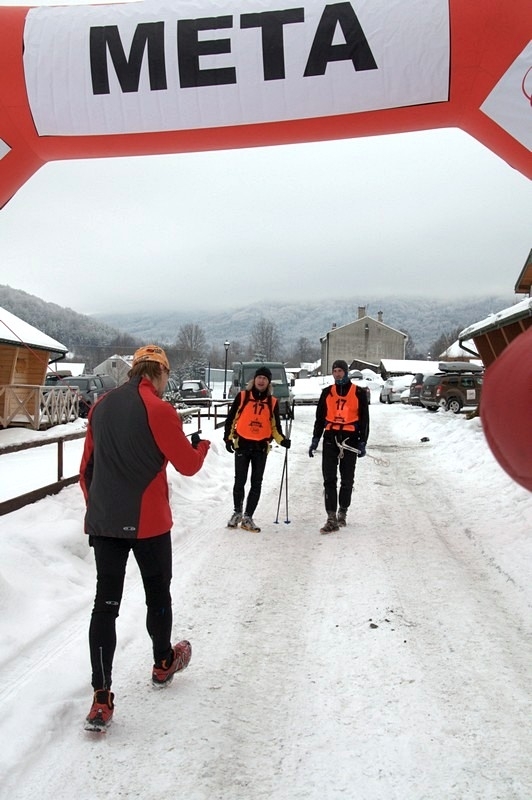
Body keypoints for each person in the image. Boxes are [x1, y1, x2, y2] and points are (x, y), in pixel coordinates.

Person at [80, 344, 210, 730]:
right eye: (167, 376)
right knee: (157, 593)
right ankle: (163, 662)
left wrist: (99, 508)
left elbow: (86, 470)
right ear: (159, 373)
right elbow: (187, 465)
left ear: (134, 370)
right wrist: (201, 446)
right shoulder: (160, 409)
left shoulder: (101, 406)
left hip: (105, 523)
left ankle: (101, 696)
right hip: (149, 523)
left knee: (105, 606)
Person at [224, 365, 291, 532]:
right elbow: (231, 419)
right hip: (242, 445)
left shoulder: (272, 402)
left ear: (269, 382)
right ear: (254, 380)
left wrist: (282, 440)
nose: (261, 381)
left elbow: (275, 427)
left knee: (256, 483)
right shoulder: (243, 396)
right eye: (259, 378)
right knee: (239, 481)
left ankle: (248, 516)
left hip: (260, 448)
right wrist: (228, 438)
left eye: (265, 379)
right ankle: (237, 512)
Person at [308, 359, 369, 534]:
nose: (337, 374)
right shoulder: (327, 392)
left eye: (340, 371)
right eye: (334, 371)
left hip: (350, 439)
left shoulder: (358, 392)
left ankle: (343, 510)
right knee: (329, 479)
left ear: (346, 372)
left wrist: (363, 441)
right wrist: (315, 439)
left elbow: (365, 419)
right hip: (331, 437)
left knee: (347, 479)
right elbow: (320, 418)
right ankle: (331, 517)